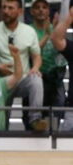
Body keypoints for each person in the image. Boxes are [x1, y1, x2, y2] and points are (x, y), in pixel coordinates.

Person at [0, 0, 47, 131]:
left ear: (20, 11)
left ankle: (35, 119)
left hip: (22, 78)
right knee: (2, 125)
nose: (6, 11)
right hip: (0, 81)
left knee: (36, 79)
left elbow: (37, 56)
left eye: (11, 8)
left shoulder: (29, 31)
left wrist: (35, 68)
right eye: (4, 7)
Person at [30, 0, 66, 129]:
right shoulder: (28, 30)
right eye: (37, 7)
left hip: (55, 78)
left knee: (59, 109)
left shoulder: (54, 27)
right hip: (37, 77)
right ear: (32, 11)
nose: (41, 10)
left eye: (44, 7)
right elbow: (33, 52)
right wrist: (47, 35)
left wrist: (57, 30)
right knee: (36, 114)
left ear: (48, 11)